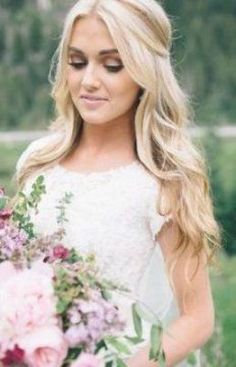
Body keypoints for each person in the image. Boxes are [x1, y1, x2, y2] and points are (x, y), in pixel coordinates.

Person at [15, 0, 221, 366]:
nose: (88, 80)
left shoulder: (162, 182)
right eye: (77, 62)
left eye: (112, 65)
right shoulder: (36, 161)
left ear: (145, 73)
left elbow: (197, 319)